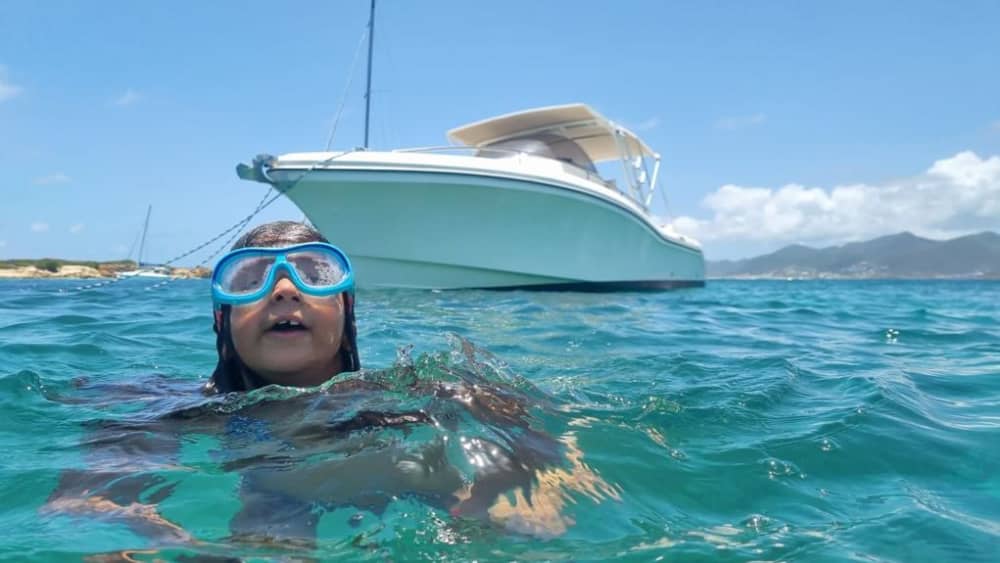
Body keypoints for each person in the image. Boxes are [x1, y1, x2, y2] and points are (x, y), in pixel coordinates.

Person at [43, 221, 616, 555]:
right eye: (250, 279)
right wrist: (148, 533)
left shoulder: (418, 386)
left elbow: (541, 423)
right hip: (272, 498)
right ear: (221, 320)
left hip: (430, 506)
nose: (284, 291)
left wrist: (546, 480)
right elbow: (81, 501)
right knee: (265, 534)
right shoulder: (175, 410)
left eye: (314, 273)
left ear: (346, 310)